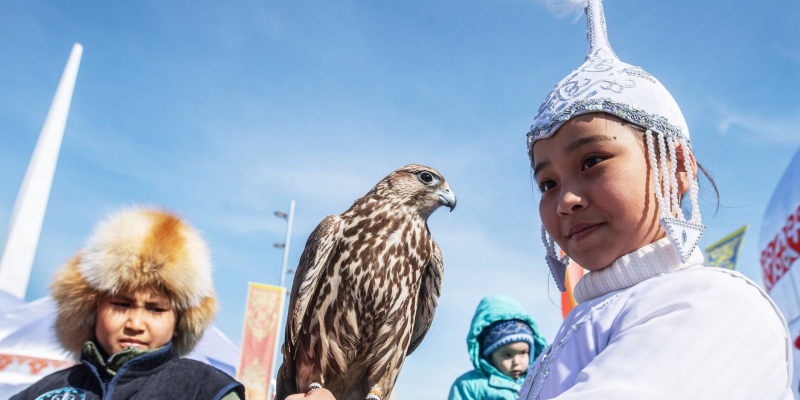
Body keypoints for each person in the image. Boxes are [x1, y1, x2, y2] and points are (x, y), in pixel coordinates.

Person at [519, 0, 792, 399]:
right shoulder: (573, 331)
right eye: (547, 184)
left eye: (592, 160)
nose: (566, 200)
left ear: (678, 166)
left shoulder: (712, 306)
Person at [13, 208, 245, 400]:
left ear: (179, 322)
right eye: (121, 304)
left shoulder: (205, 390)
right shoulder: (44, 392)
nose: (135, 324)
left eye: (156, 309)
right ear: (91, 310)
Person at [448, 295, 546, 400]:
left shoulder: (540, 381)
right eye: (507, 355)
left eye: (523, 353)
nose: (517, 362)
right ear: (489, 357)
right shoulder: (470, 385)